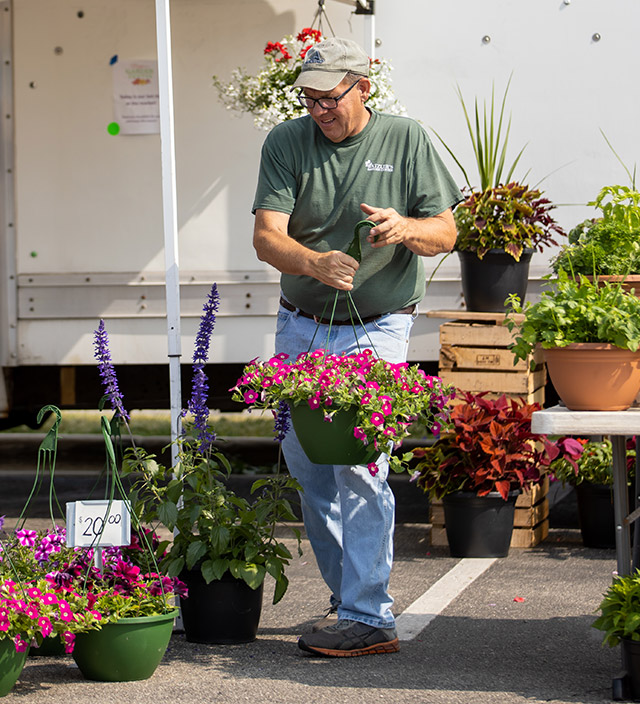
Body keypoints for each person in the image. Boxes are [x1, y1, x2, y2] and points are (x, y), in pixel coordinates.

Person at [251, 36, 461, 657]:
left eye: (330, 97)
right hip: (302, 327)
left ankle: (370, 614)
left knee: (362, 466)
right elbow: (267, 238)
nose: (319, 109)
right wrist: (313, 262)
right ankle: (352, 603)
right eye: (309, 98)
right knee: (310, 465)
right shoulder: (287, 142)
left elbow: (446, 229)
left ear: (362, 88)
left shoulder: (406, 138)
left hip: (379, 325)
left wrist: (404, 229)